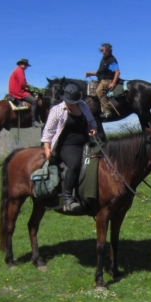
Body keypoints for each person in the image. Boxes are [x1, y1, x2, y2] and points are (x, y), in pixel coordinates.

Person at [41, 83, 98, 212]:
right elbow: (48, 132)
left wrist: (93, 128)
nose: (71, 103)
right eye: (69, 101)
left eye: (73, 101)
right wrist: (47, 148)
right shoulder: (57, 110)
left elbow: (92, 121)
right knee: (75, 163)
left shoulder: (83, 105)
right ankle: (67, 198)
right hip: (66, 145)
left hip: (86, 143)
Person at [84, 43, 120, 119]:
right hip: (102, 79)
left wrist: (113, 82)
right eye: (102, 50)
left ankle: (107, 111)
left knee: (99, 91)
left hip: (108, 80)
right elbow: (100, 72)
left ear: (109, 51)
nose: (103, 52)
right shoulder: (103, 59)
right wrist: (90, 73)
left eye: (105, 50)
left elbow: (117, 72)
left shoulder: (111, 60)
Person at [8, 58, 40, 127]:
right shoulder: (20, 71)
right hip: (18, 92)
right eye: (24, 65)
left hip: (13, 90)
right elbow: (22, 83)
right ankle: (34, 121)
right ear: (21, 64)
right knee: (34, 101)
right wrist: (27, 87)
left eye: (25, 65)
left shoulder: (16, 70)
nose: (25, 66)